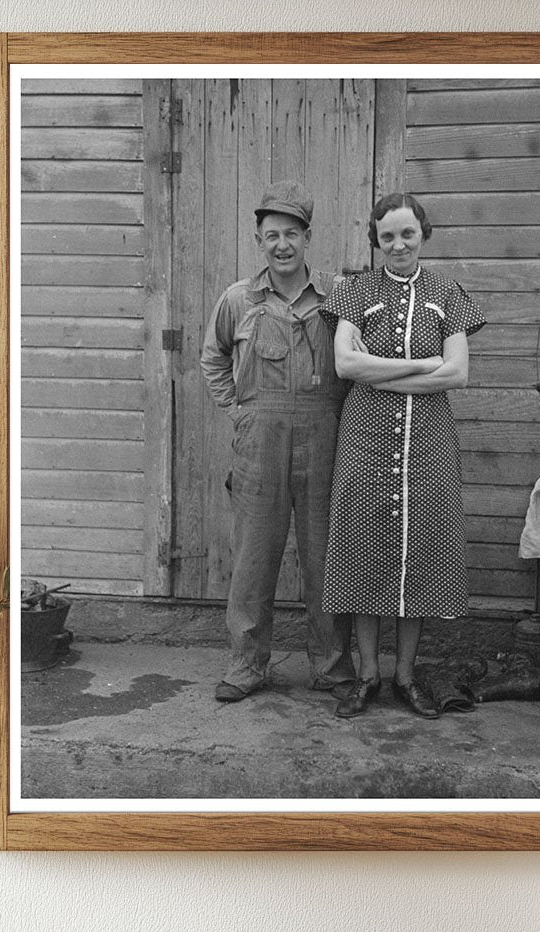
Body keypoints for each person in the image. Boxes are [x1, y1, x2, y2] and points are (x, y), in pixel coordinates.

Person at [319, 193, 486, 719]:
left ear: (423, 234)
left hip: (429, 444)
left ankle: (405, 677)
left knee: (419, 559)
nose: (398, 244)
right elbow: (346, 364)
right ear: (375, 239)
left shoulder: (446, 294)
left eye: (407, 234)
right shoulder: (354, 292)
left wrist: (383, 369)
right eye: (387, 235)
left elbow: (457, 373)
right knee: (367, 553)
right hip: (366, 440)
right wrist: (420, 367)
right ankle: (367, 676)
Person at [200, 181, 355, 703]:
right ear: (260, 241)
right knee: (253, 557)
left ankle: (332, 667)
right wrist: (240, 411)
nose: (282, 244)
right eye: (272, 236)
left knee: (326, 557)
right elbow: (213, 358)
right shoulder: (238, 299)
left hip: (325, 435)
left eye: (291, 234)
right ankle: (247, 665)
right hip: (259, 442)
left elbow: (359, 361)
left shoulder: (337, 297)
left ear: (307, 237)